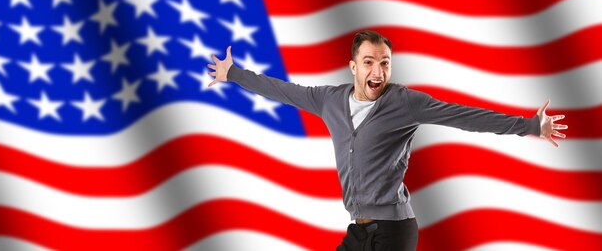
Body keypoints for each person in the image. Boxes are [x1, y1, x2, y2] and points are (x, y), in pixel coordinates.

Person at [207, 30, 567, 250]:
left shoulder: (406, 103)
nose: (377, 72)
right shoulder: (329, 99)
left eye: (385, 63)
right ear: (353, 67)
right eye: (368, 63)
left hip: (394, 232)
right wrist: (234, 73)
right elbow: (282, 90)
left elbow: (465, 116)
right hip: (360, 232)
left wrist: (530, 126)